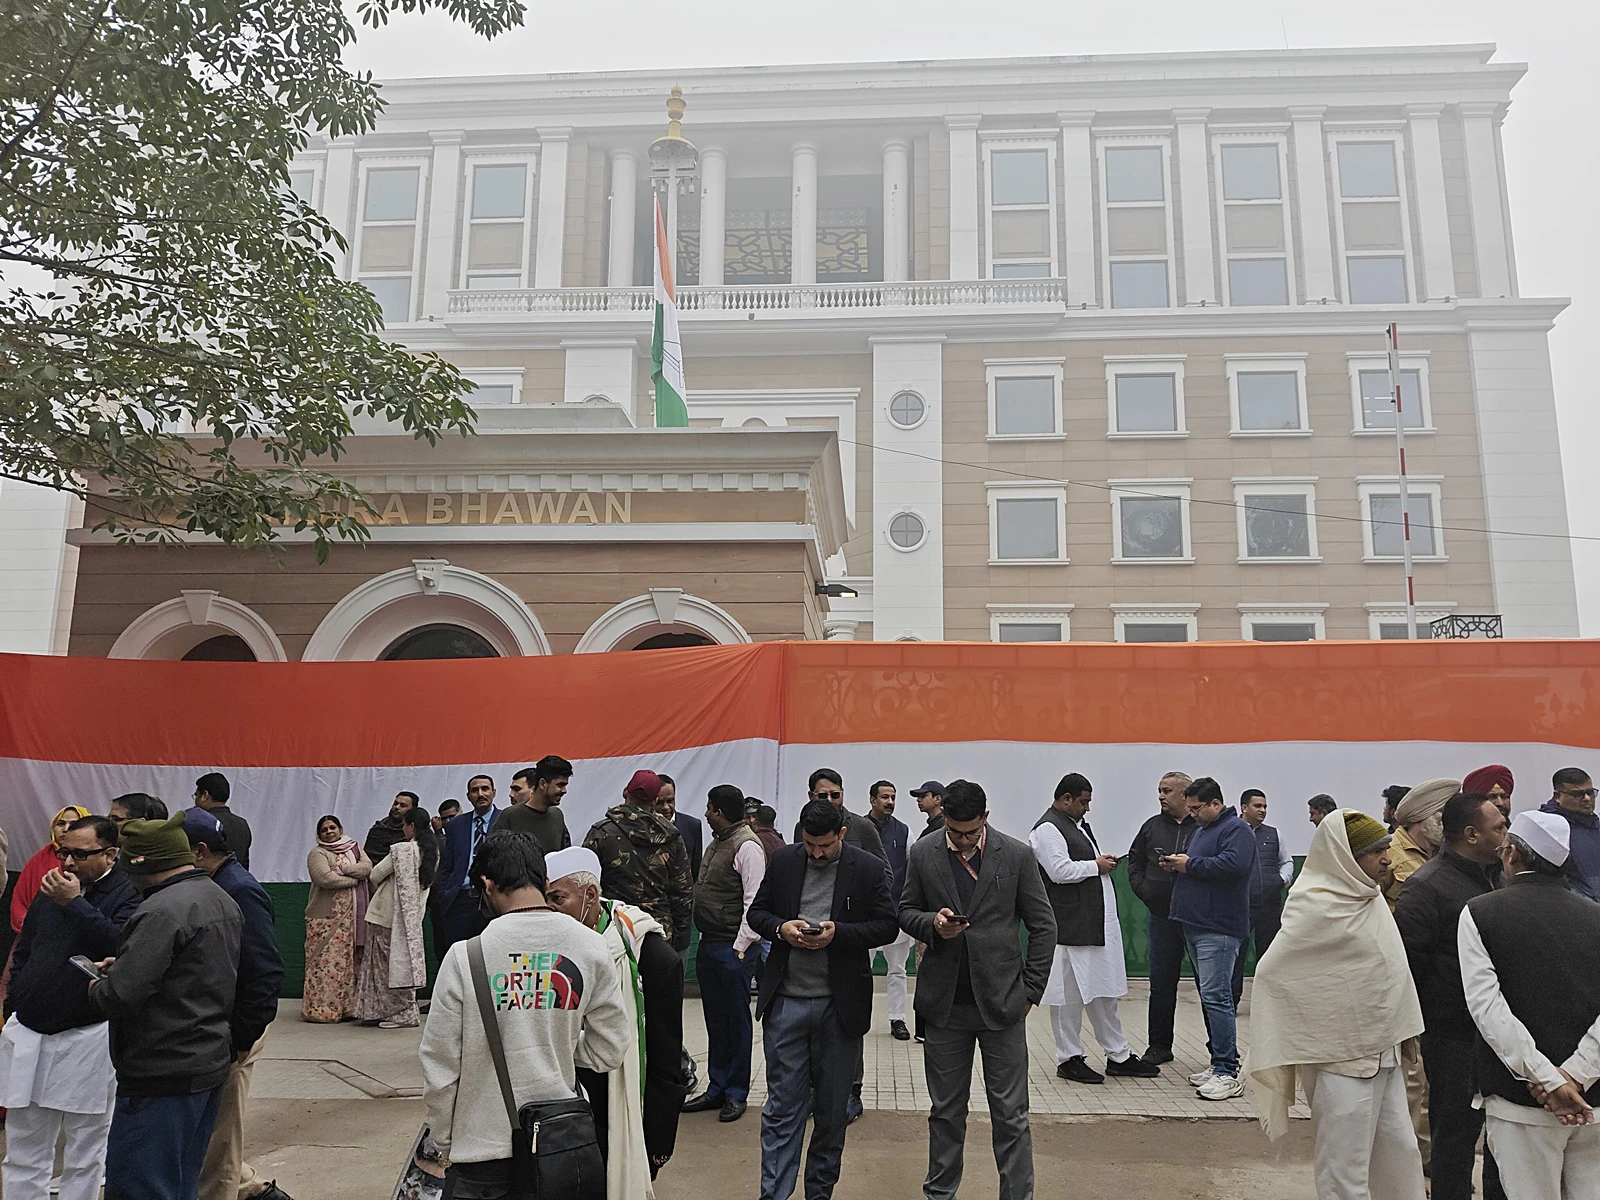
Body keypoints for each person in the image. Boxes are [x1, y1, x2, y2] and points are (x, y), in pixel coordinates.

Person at [419, 831, 631, 1200]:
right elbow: (611, 1049)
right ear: (544, 882)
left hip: (480, 1151)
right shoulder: (593, 946)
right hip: (560, 1146)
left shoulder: (465, 956)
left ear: (487, 885)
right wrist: (553, 1046)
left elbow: (440, 1066)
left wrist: (444, 1140)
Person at [1243, 811, 1427, 1200]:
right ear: (1345, 855)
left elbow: (1389, 972)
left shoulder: (1369, 896)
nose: (1387, 859)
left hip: (1385, 1051)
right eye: (1376, 851)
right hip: (1340, 1059)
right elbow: (1274, 972)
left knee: (1401, 1153)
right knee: (1345, 1166)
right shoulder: (1313, 904)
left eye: (1386, 849)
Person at [900, 779, 1055, 1200]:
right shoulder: (923, 853)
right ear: (944, 817)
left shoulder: (1018, 855)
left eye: (971, 831)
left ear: (985, 818)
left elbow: (1044, 925)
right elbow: (905, 910)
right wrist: (933, 923)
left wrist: (1031, 991)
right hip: (944, 1005)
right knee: (946, 1114)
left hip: (1004, 1005)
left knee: (1010, 1115)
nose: (963, 839)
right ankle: (940, 1193)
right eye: (954, 830)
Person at [747, 798, 897, 1200]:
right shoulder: (782, 862)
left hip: (839, 1007)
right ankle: (774, 1194)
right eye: (810, 844)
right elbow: (756, 914)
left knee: (832, 1115)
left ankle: (819, 1193)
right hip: (787, 1003)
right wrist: (782, 929)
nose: (816, 853)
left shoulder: (866, 868)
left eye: (825, 846)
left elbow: (886, 925)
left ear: (842, 835)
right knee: (782, 1110)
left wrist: (839, 934)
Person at [90, 812, 242, 1200]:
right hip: (204, 1063)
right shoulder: (217, 897)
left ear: (142, 863)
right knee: (179, 1183)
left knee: (142, 1187)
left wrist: (97, 985)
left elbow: (119, 996)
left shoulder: (159, 911)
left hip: (162, 1071)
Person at [1460, 810, 1600, 1198]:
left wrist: (1549, 1080)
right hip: (1592, 1101)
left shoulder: (1480, 912)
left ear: (1512, 855)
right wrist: (1576, 1075)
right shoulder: (1596, 916)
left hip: (1521, 1103)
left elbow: (1488, 1010)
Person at [0, 815, 137, 1200]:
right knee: (24, 1146)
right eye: (63, 852)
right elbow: (26, 948)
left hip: (87, 1034)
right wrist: (16, 1001)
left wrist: (75, 903)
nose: (68, 862)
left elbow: (123, 944)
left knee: (85, 1149)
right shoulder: (51, 890)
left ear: (110, 854)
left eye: (80, 854)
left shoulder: (128, 893)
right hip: (30, 1030)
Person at [544, 847, 689, 1197]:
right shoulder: (544, 947)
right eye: (544, 898)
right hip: (560, 1107)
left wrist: (656, 1142)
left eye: (557, 898)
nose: (548, 908)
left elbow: (665, 1056)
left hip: (617, 1106)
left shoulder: (649, 957)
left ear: (591, 895)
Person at [1394, 792, 1509, 1200]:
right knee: (1456, 1137)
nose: (1506, 833)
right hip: (1455, 1038)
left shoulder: (1501, 877)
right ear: (1471, 834)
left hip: (1504, 1036)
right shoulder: (1426, 888)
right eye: (1499, 826)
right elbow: (1409, 965)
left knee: (1503, 1139)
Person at [182, 810, 291, 1200]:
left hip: (233, 1035)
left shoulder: (238, 889)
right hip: (217, 1033)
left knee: (220, 1144)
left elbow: (265, 971)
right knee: (213, 1139)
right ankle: (254, 1190)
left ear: (199, 851)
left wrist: (241, 1039)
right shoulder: (213, 882)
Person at [1029, 773, 1159, 1084]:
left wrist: (1099, 864)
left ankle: (1119, 1055)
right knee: (1068, 997)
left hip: (1093, 926)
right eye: (1083, 801)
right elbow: (1058, 871)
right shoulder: (1048, 829)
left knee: (1103, 992)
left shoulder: (1076, 826)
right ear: (1065, 799)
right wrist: (1096, 866)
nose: (1087, 807)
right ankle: (1068, 1057)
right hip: (1070, 929)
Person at [1162, 775, 1256, 1100]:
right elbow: (1201, 865)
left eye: (1198, 808)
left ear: (1217, 803)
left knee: (1218, 997)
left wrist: (1190, 865)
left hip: (1219, 927)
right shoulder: (1204, 829)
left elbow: (1233, 865)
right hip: (1195, 924)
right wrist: (1179, 865)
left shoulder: (1237, 830)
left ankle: (1228, 1072)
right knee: (1209, 997)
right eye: (1190, 808)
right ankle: (1218, 1062)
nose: (1192, 814)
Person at [683, 784, 766, 1123]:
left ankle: (736, 1092)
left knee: (735, 1021)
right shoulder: (719, 841)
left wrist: (740, 948)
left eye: (709, 808)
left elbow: (754, 903)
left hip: (734, 947)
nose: (705, 813)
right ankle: (716, 1087)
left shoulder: (747, 846)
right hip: (710, 943)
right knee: (716, 1021)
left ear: (719, 811)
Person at [1127, 770, 1196, 1066]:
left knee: (1210, 987)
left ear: (1184, 794)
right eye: (1159, 790)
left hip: (1197, 919)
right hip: (1162, 917)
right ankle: (1159, 1046)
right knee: (1162, 983)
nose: (1161, 796)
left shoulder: (1203, 828)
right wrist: (1146, 891)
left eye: (1167, 791)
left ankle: (1219, 1050)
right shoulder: (1151, 827)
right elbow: (1135, 862)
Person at [584, 770, 694, 947]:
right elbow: (683, 891)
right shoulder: (671, 836)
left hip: (616, 930)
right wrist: (679, 933)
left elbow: (587, 886)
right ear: (655, 800)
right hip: (659, 932)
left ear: (626, 792)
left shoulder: (601, 833)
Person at [353, 806, 435, 1029]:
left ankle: (396, 1012)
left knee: (383, 968)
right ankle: (401, 1010)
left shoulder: (401, 850)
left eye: (405, 826)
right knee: (403, 965)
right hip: (412, 918)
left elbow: (376, 873)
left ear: (411, 826)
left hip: (386, 915)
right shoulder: (431, 852)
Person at [302, 814, 372, 1024]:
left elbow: (367, 868)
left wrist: (343, 870)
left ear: (340, 829)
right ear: (320, 835)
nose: (330, 832)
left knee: (346, 963)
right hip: (324, 921)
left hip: (350, 920)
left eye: (333, 827)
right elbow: (325, 878)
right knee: (325, 964)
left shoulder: (354, 848)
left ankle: (346, 1009)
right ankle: (321, 1011)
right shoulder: (318, 853)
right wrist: (354, 879)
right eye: (325, 830)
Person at [1233, 788, 1294, 1007]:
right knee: (1236, 956)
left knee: (1268, 956)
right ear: (1244, 807)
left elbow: (1286, 861)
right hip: (1240, 906)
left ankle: (1266, 1003)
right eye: (1258, 806)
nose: (1263, 810)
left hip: (1269, 905)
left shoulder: (1274, 834)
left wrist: (1280, 880)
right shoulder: (1233, 832)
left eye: (1265, 806)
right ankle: (1232, 1001)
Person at [432, 774, 502, 958]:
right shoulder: (456, 825)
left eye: (485, 789)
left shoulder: (504, 820)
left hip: (492, 900)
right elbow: (448, 864)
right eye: (475, 790)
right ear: (468, 795)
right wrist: (444, 895)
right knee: (458, 958)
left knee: (491, 957)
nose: (480, 794)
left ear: (493, 792)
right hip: (459, 900)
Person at [865, 780, 913, 1041]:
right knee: (863, 968)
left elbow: (912, 868)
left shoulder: (904, 831)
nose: (890, 802)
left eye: (893, 797)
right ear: (872, 800)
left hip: (896, 912)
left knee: (898, 969)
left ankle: (898, 1019)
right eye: (884, 797)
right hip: (865, 914)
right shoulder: (858, 828)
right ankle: (858, 1016)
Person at [10, 807, 91, 935]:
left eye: (74, 824)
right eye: (61, 823)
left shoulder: (90, 861)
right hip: (30, 934)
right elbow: (20, 899)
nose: (65, 829)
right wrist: (30, 928)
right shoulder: (38, 860)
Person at [1385, 778, 1462, 909]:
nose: (1449, 820)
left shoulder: (1449, 853)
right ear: (1423, 814)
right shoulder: (1388, 852)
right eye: (1443, 812)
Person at [792, 770, 885, 861]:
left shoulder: (863, 826)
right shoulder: (802, 827)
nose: (829, 800)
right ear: (811, 796)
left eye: (835, 795)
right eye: (823, 796)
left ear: (842, 793)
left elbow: (883, 873)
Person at [1541, 766, 1600, 901]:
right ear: (1557, 796)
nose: (1586, 798)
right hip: (1576, 910)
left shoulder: (1594, 824)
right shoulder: (1547, 829)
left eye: (1590, 792)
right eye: (1577, 794)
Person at [499, 757, 574, 854]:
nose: (564, 791)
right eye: (560, 785)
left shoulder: (557, 816)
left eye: (565, 785)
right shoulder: (510, 815)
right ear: (542, 784)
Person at [194, 773, 251, 870]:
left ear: (204, 795)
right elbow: (244, 866)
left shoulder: (200, 823)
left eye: (196, 795)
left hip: (207, 883)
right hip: (236, 883)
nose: (195, 801)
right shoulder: (242, 825)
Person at [656, 775, 704, 880]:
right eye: (659, 802)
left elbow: (696, 869)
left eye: (669, 801)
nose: (665, 807)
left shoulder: (692, 826)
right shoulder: (642, 827)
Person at [362, 791, 418, 864]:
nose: (397, 807)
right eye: (395, 804)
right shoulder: (378, 829)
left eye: (402, 805)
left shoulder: (413, 833)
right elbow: (366, 858)